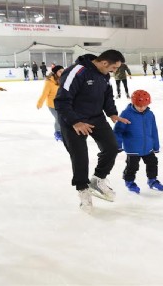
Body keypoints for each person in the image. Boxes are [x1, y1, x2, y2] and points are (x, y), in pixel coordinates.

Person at [54, 50, 130, 213]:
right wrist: (75, 122)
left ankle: (97, 179)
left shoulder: (104, 75)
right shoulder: (77, 71)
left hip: (95, 117)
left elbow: (107, 95)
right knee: (80, 156)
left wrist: (112, 113)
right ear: (104, 63)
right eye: (114, 68)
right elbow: (61, 101)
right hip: (72, 121)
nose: (115, 71)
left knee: (111, 147)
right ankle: (83, 190)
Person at [113, 90, 163, 194]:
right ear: (133, 103)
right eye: (139, 105)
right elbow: (118, 130)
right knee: (132, 166)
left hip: (148, 147)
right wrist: (118, 144)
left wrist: (156, 145)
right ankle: (129, 181)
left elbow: (154, 130)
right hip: (133, 148)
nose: (142, 108)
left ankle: (152, 180)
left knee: (153, 163)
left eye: (144, 105)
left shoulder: (150, 114)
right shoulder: (126, 114)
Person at [37, 65, 64, 141]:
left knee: (60, 118)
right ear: (55, 72)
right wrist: (40, 103)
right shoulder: (49, 82)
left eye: (63, 71)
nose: (62, 73)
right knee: (59, 118)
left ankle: (61, 132)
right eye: (60, 71)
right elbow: (44, 93)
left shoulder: (63, 79)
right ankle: (58, 133)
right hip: (52, 105)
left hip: (61, 104)